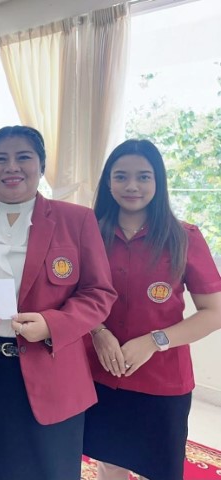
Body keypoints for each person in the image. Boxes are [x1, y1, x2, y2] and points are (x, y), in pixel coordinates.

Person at [0, 125, 118, 480]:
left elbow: (98, 293)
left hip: (51, 366)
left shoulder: (76, 219)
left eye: (23, 157)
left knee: (48, 468)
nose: (11, 167)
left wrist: (52, 325)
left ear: (41, 165)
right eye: (0, 158)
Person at [83, 139, 221, 480]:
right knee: (108, 463)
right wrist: (98, 332)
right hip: (99, 373)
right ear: (108, 182)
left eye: (143, 176)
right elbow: (73, 297)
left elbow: (214, 311)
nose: (132, 186)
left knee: (159, 469)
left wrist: (154, 341)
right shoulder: (88, 234)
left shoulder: (184, 237)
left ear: (158, 182)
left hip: (162, 383)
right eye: (121, 176)